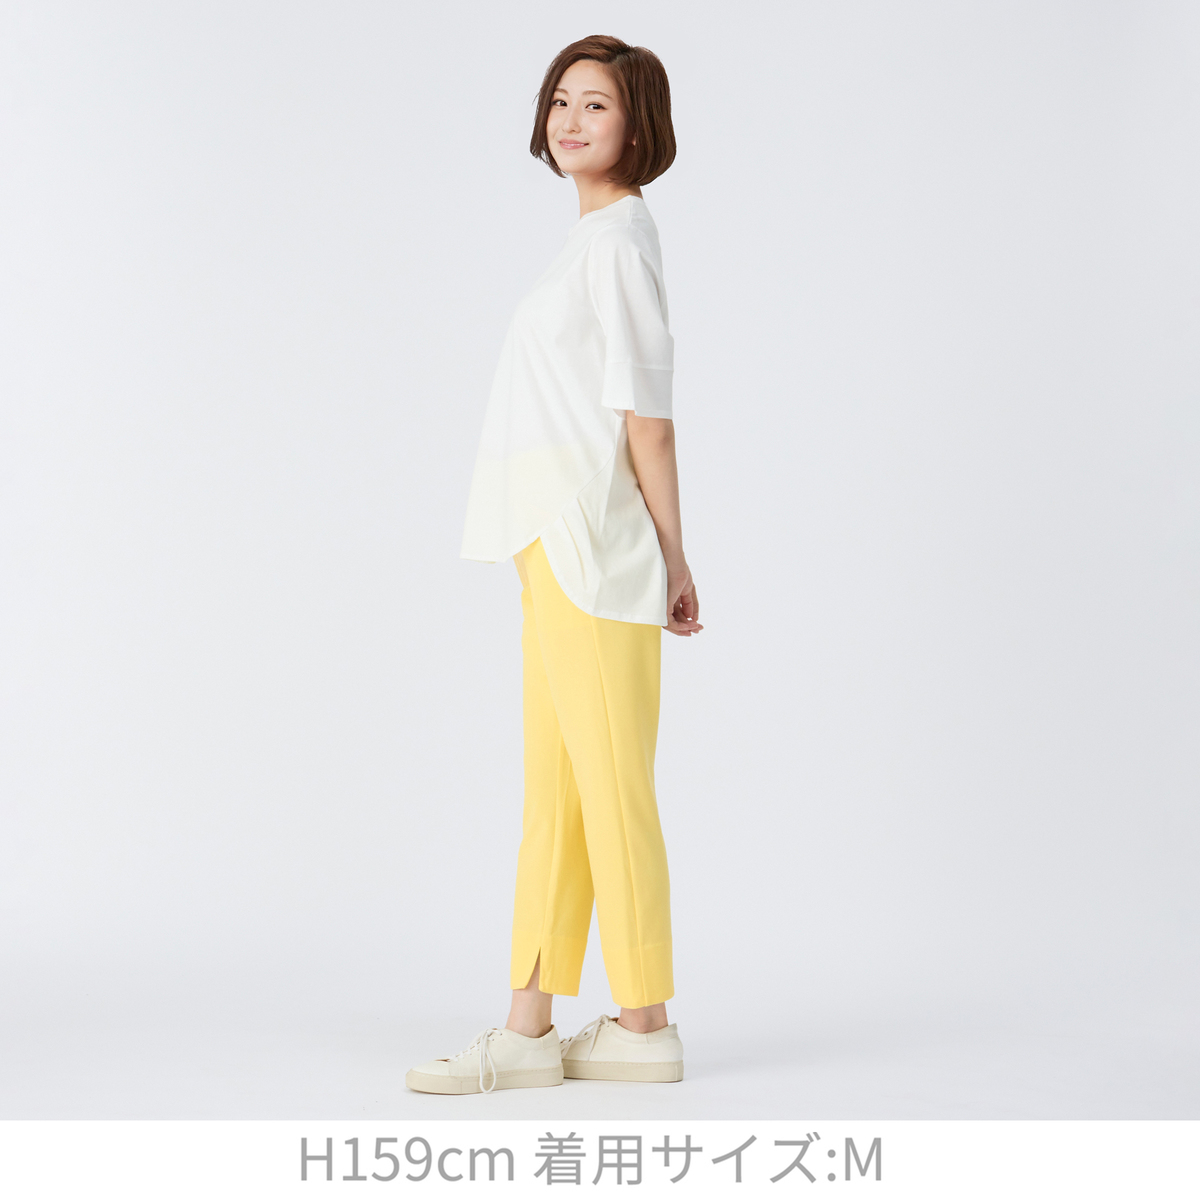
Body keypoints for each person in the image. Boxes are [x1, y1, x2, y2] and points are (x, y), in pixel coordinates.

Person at [406, 34, 702, 1096]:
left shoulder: (619, 243)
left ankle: (643, 1022)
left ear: (638, 125)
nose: (571, 121)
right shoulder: (589, 243)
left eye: (598, 105)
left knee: (610, 789)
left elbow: (648, 418)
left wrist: (674, 554)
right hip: (555, 548)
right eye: (561, 100)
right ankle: (529, 1029)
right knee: (559, 795)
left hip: (596, 552)